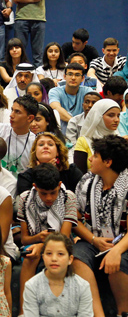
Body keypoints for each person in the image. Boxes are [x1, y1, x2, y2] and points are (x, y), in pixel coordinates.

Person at [73, 135, 128, 317]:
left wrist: (116, 250)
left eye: (94, 155)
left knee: (118, 264)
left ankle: (123, 312)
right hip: (92, 239)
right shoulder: (87, 182)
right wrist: (94, 240)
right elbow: (74, 218)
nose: (90, 158)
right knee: (77, 257)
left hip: (124, 242)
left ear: (107, 162)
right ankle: (97, 314)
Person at [15, 163, 77, 315]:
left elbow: (64, 237)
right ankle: (25, 311)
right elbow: (24, 239)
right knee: (30, 256)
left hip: (63, 244)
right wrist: (38, 239)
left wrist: (43, 246)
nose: (49, 198)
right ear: (35, 187)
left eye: (53, 193)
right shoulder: (24, 199)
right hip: (34, 244)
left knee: (54, 255)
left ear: (60, 185)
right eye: (43, 193)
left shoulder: (68, 197)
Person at [23, 232, 92, 317]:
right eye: (49, 253)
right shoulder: (31, 286)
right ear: (43, 257)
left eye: (60, 254)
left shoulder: (82, 286)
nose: (54, 259)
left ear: (70, 259)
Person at [17, 132, 82, 194]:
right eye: (41, 144)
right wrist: (43, 172)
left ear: (57, 152)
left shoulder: (71, 172)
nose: (45, 147)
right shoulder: (25, 178)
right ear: (35, 152)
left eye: (50, 144)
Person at [73, 98, 120, 174]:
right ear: (98, 117)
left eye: (118, 116)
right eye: (111, 115)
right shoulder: (84, 141)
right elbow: (79, 174)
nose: (116, 120)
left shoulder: (119, 140)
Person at [49, 62, 94, 133]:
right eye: (70, 74)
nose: (73, 78)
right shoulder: (55, 91)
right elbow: (55, 108)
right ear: (64, 76)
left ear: (82, 78)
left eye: (77, 75)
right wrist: (74, 123)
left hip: (83, 130)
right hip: (61, 130)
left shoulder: (87, 91)